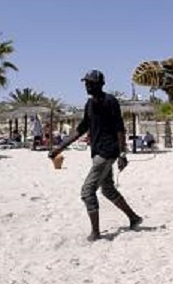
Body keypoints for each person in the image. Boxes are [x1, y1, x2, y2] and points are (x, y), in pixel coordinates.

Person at [48, 69, 142, 241]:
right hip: (97, 151)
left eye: (90, 83)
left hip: (107, 152)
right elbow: (81, 129)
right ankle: (134, 218)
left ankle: (96, 232)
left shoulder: (110, 101)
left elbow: (119, 128)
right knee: (107, 189)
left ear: (100, 84)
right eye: (86, 83)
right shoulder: (89, 104)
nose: (87, 86)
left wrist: (122, 153)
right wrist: (59, 148)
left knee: (87, 191)